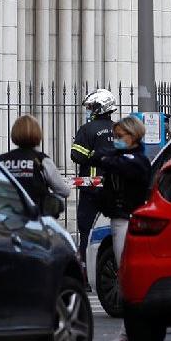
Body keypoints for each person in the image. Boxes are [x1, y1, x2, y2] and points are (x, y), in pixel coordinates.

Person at [98, 116, 151, 341]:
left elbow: (123, 167)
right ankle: (130, 331)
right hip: (118, 217)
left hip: (128, 220)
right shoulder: (121, 158)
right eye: (115, 136)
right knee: (124, 276)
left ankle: (128, 332)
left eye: (120, 136)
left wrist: (103, 157)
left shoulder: (136, 160)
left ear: (133, 136)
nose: (116, 140)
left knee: (127, 276)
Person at [69, 89, 118, 257]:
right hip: (115, 189)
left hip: (91, 189)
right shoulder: (119, 129)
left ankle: (85, 265)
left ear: (100, 108)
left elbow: (76, 155)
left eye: (92, 107)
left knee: (87, 229)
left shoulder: (87, 129)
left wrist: (92, 154)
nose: (90, 110)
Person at [0, 115, 70, 213]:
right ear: (38, 134)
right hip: (35, 217)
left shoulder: (1, 160)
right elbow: (63, 191)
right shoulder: (42, 160)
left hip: (6, 214)